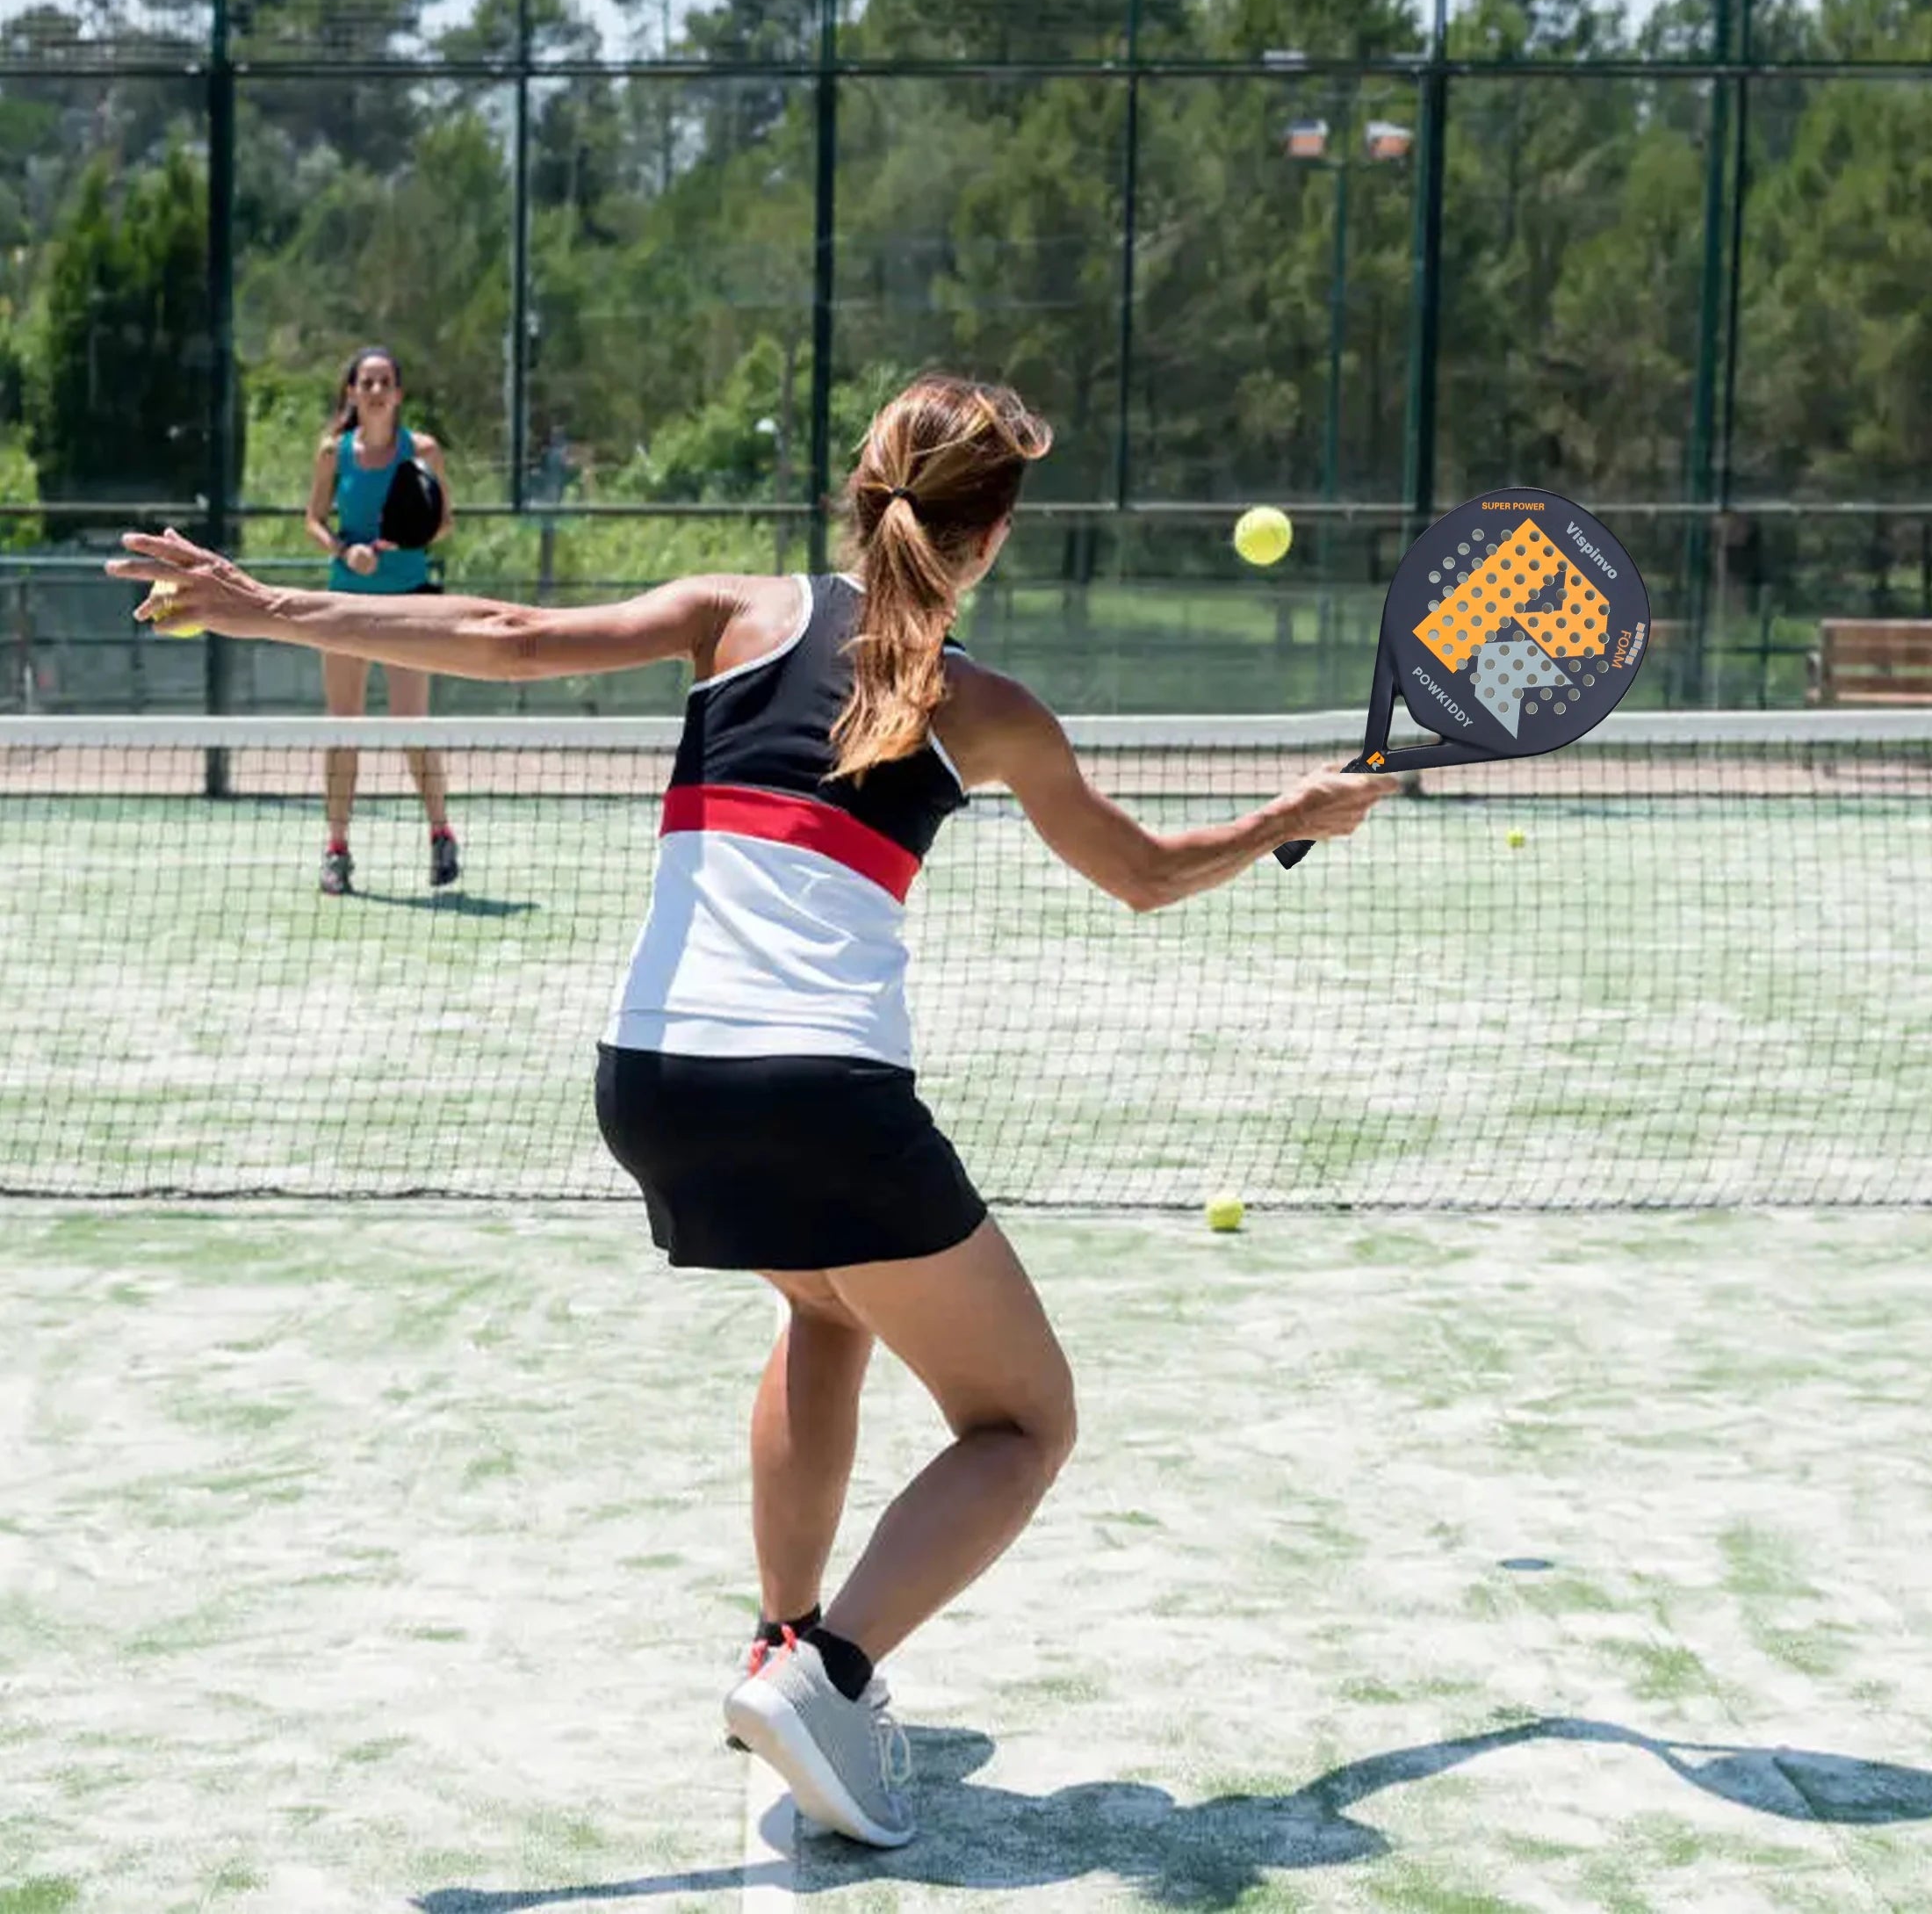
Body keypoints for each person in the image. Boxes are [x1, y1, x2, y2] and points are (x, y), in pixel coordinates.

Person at [109, 375, 1397, 1849]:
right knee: (1025, 1420)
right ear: (988, 542)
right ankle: (832, 1671)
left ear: (861, 496)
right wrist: (1285, 820)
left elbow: (507, 635)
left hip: (651, 1081)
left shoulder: (739, 611)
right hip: (818, 1093)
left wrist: (263, 605)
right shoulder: (988, 710)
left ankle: (777, 1637)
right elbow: (1150, 877)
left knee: (828, 1308)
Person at [303, 344, 459, 896]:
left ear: (398, 394)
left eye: (384, 382)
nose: (374, 391)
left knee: (410, 724)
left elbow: (443, 524)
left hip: (408, 604)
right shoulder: (332, 454)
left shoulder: (423, 452)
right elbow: (315, 521)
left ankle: (441, 833)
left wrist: (403, 539)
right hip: (346, 604)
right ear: (352, 392)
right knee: (342, 727)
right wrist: (347, 552)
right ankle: (337, 849)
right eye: (365, 383)